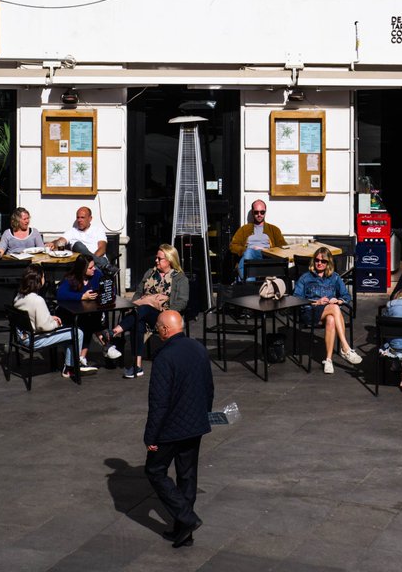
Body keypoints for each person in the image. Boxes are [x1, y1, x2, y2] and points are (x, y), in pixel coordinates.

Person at [144, 309, 214, 548]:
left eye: (157, 328)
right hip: (195, 424)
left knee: (155, 470)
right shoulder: (198, 348)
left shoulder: (164, 357)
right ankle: (184, 531)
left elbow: (159, 402)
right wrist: (204, 416)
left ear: (165, 329)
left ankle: (187, 518)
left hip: (170, 428)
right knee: (187, 475)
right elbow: (208, 387)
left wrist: (151, 437)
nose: (157, 332)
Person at [105, 244, 189, 379]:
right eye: (156, 258)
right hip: (144, 312)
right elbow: (138, 293)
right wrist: (136, 303)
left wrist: (168, 314)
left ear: (169, 260)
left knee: (142, 310)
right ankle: (137, 366)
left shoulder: (180, 278)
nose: (156, 261)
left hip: (163, 315)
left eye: (159, 259)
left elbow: (182, 302)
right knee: (139, 320)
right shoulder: (150, 273)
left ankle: (114, 332)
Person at [13, 265, 93, 378]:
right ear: (38, 280)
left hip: (22, 336)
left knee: (69, 333)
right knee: (77, 332)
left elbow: (31, 315)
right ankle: (72, 367)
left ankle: (69, 366)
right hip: (34, 339)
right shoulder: (37, 300)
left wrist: (50, 317)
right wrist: (56, 323)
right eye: (43, 276)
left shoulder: (19, 296)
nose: (44, 279)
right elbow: (44, 327)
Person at [293, 246, 362, 374]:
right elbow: (296, 298)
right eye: (317, 260)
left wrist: (339, 300)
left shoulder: (334, 277)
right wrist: (316, 302)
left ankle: (328, 360)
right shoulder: (305, 278)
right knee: (334, 309)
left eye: (323, 261)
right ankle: (345, 348)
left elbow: (346, 296)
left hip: (328, 311)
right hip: (310, 311)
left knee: (331, 319)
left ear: (328, 262)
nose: (319, 263)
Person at [55, 254, 105, 369]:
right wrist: (82, 296)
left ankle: (82, 357)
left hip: (89, 312)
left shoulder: (97, 275)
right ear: (82, 269)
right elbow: (60, 294)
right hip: (70, 313)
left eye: (94, 266)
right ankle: (105, 345)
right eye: (90, 267)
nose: (94, 269)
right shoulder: (71, 278)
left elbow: (108, 286)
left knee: (91, 318)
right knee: (89, 321)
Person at [229, 199, 286, 280]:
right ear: (252, 212)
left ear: (265, 212)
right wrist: (245, 250)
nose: (259, 215)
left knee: (248, 254)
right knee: (249, 252)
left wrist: (265, 250)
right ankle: (248, 281)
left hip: (266, 257)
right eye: (256, 212)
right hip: (249, 258)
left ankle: (245, 281)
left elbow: (283, 247)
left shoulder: (274, 229)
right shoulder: (244, 229)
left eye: (262, 212)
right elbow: (233, 246)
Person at [48, 206, 112, 269]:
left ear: (90, 218)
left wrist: (91, 263)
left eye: (82, 217)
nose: (79, 220)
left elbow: (102, 249)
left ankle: (102, 267)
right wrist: (53, 244)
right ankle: (107, 267)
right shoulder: (72, 231)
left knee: (94, 268)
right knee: (78, 245)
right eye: (78, 217)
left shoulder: (98, 230)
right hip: (84, 266)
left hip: (95, 264)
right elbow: (60, 241)